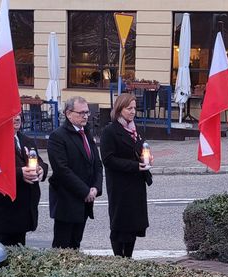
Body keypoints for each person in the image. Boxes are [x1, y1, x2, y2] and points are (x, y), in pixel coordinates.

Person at [0, 114, 48, 246]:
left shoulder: (26, 140)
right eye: (11, 115)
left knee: (17, 258)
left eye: (18, 114)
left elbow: (38, 160)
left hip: (21, 216)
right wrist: (19, 173)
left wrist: (41, 169)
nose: (17, 118)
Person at [100, 93, 153, 258]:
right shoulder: (110, 130)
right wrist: (135, 165)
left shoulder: (134, 129)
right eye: (129, 108)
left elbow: (138, 150)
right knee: (120, 225)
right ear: (119, 109)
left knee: (133, 225)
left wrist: (146, 158)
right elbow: (108, 160)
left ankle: (128, 258)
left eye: (134, 108)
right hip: (120, 185)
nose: (132, 111)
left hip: (136, 184)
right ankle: (119, 259)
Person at [47, 96, 103, 249]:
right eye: (81, 113)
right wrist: (85, 191)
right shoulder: (58, 136)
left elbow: (97, 165)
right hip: (66, 201)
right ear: (68, 113)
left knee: (76, 244)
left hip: (85, 201)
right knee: (62, 247)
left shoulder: (86, 133)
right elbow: (62, 170)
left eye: (87, 112)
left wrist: (95, 188)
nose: (85, 116)